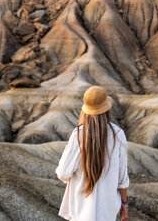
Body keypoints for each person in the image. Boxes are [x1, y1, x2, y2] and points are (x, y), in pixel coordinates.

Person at [56, 86, 129, 220]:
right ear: (107, 108)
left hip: (80, 212)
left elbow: (62, 173)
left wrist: (80, 178)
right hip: (107, 213)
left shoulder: (78, 135)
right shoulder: (118, 134)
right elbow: (122, 179)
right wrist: (124, 203)